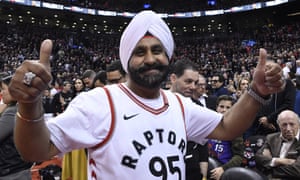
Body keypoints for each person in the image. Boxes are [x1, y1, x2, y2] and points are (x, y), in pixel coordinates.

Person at [9, 10, 284, 180]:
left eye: (157, 50)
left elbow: (226, 127)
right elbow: (35, 150)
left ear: (168, 56)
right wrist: (30, 103)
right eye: (140, 52)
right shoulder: (99, 101)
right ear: (127, 59)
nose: (150, 58)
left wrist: (256, 92)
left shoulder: (179, 104)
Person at [169, 60, 208, 180]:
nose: (193, 87)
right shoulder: (157, 103)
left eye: (195, 82)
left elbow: (203, 146)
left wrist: (204, 176)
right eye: (188, 81)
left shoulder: (197, 106)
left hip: (191, 169)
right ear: (173, 78)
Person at [0, 74, 33, 179]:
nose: (1, 93)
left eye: (3, 89)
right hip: (19, 167)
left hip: (11, 171)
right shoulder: (23, 108)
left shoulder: (12, 112)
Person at [255, 110, 300, 179]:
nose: (288, 128)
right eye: (284, 125)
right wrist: (278, 161)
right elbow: (258, 158)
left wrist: (270, 167)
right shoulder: (271, 138)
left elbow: (297, 170)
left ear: (298, 125)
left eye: (292, 124)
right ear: (279, 126)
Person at [208, 95, 244, 180]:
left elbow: (239, 156)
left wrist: (223, 169)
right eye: (221, 106)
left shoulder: (235, 129)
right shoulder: (209, 124)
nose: (224, 110)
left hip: (223, 170)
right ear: (216, 108)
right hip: (206, 166)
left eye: (228, 107)